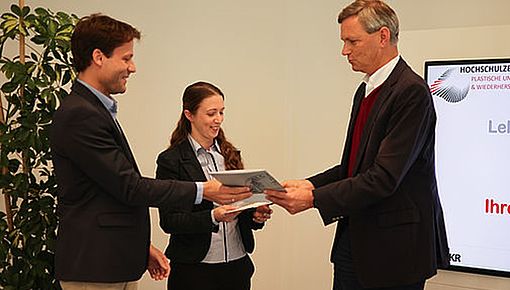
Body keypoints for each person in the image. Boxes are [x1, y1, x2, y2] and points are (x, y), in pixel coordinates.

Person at [49, 14, 251, 290]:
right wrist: (205, 191)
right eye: (126, 58)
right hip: (95, 267)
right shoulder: (80, 115)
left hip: (113, 261)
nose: (132, 68)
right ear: (98, 57)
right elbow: (129, 187)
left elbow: (108, 195)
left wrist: (142, 246)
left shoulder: (95, 111)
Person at [265, 1, 449, 289]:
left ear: (383, 36)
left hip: (394, 253)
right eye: (343, 42)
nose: (345, 51)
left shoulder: (411, 92)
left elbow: (383, 178)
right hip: (357, 242)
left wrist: (314, 199)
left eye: (352, 41)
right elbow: (354, 166)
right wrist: (309, 184)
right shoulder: (365, 89)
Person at [155, 81, 272, 290]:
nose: (218, 119)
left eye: (221, 112)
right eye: (211, 113)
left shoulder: (230, 155)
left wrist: (255, 214)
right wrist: (213, 217)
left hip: (237, 266)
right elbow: (170, 221)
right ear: (189, 115)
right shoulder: (171, 161)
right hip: (194, 270)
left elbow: (241, 206)